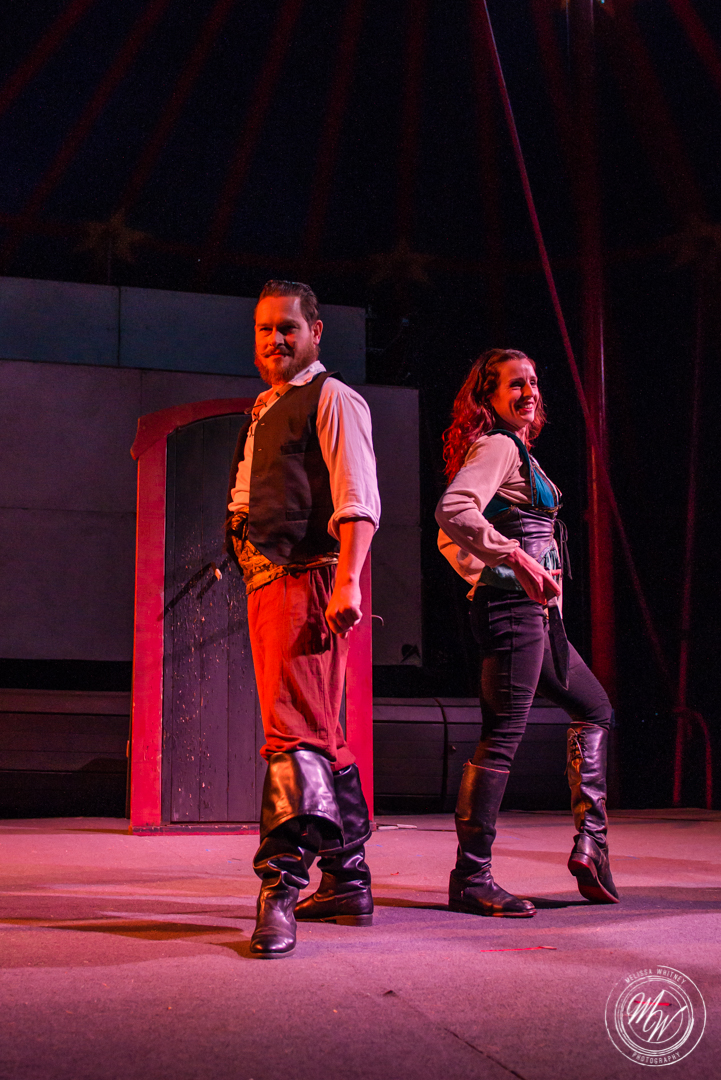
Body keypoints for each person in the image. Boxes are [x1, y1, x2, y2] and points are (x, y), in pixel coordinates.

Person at [226, 280, 380, 957]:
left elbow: (357, 497)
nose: (274, 340)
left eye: (287, 327)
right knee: (320, 733)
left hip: (307, 577)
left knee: (292, 734)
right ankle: (347, 879)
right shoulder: (267, 406)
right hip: (271, 580)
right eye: (265, 329)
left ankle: (279, 889)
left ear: (316, 331)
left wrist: (346, 581)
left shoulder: (332, 397)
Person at [435, 348, 618, 918]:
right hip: (512, 612)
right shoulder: (496, 446)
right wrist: (513, 559)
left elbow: (458, 535)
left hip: (537, 616)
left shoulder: (517, 454)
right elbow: (452, 514)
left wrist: (512, 567)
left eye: (533, 382)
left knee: (594, 708)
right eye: (515, 384)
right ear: (489, 398)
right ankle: (471, 877)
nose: (529, 392)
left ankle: (592, 844)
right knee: (501, 737)